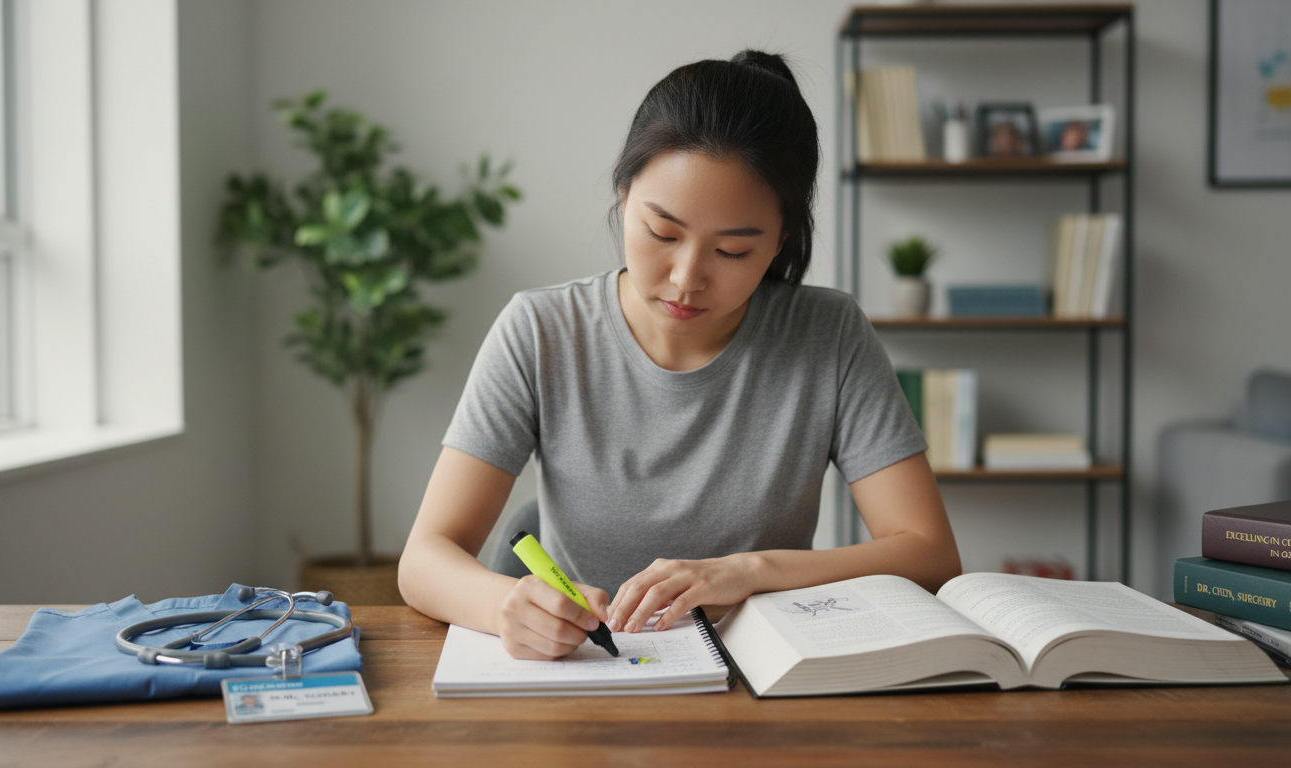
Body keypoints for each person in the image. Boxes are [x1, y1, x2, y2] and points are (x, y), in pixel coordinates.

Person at [398, 50, 961, 660]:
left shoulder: (829, 335)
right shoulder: (541, 331)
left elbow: (929, 555)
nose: (687, 278)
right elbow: (424, 560)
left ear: (780, 242)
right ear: (623, 193)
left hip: (758, 682)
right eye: (663, 234)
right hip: (587, 676)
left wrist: (749, 572)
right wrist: (502, 606)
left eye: (734, 251)